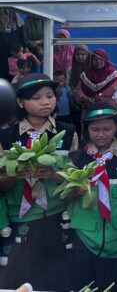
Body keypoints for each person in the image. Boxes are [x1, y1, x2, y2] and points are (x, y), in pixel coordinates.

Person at [0, 73, 78, 290]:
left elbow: (77, 182)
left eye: (50, 95)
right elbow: (1, 185)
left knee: (56, 281)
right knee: (19, 282)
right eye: (36, 97)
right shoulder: (6, 137)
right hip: (19, 222)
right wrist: (15, 174)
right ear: (20, 102)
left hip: (56, 219)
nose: (45, 102)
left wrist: (53, 174)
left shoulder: (67, 132)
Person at [66, 103, 117, 292]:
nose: (101, 134)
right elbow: (65, 197)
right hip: (84, 237)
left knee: (115, 287)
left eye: (107, 129)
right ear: (87, 130)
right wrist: (75, 191)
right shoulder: (76, 159)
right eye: (95, 129)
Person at [75, 49, 117, 116]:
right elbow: (79, 89)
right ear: (91, 61)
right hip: (89, 106)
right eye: (95, 59)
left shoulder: (112, 74)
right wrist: (86, 98)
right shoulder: (86, 74)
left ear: (105, 60)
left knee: (108, 124)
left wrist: (98, 98)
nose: (98, 61)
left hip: (107, 105)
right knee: (90, 125)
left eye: (101, 59)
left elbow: (112, 88)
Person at [68, 44, 91, 136]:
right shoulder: (70, 69)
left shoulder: (91, 69)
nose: (80, 57)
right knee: (76, 122)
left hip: (90, 101)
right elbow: (68, 85)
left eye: (83, 54)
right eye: (78, 54)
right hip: (76, 102)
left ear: (88, 55)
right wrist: (74, 97)